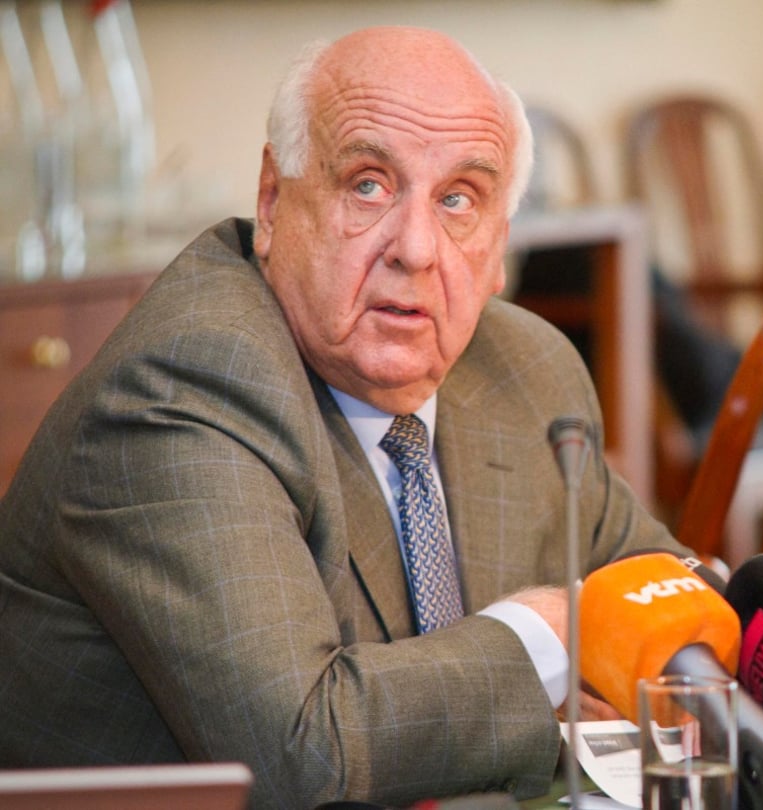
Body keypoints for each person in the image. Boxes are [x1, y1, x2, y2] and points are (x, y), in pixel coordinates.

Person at [0, 26, 687, 809]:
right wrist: (546, 638)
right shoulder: (186, 387)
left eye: (458, 199)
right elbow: (304, 752)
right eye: (368, 185)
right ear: (272, 201)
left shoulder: (525, 370)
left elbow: (667, 598)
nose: (417, 249)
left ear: (500, 248)